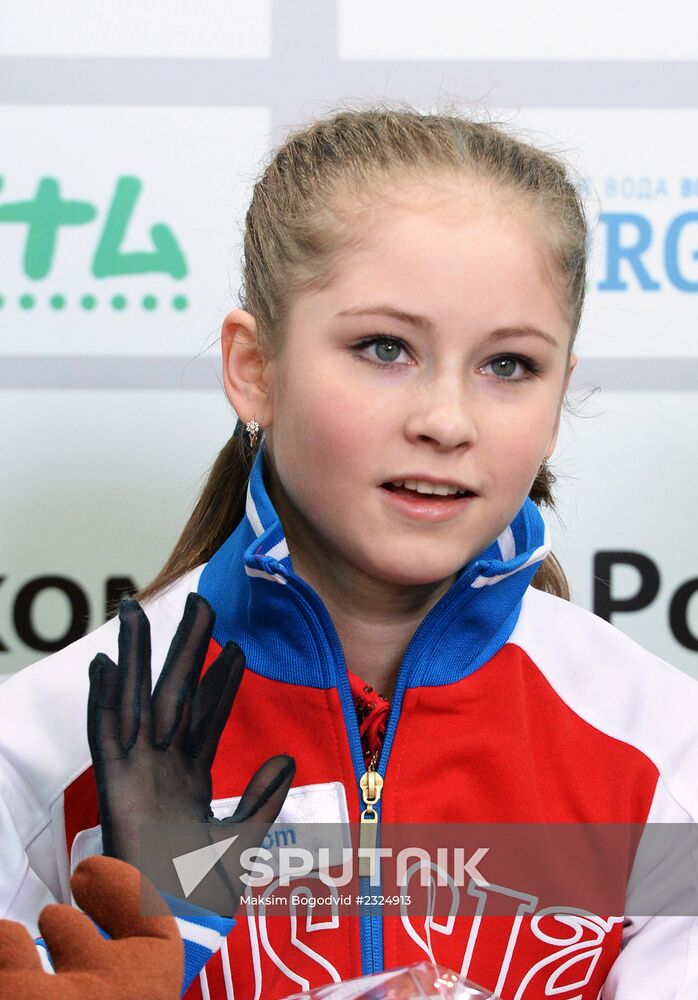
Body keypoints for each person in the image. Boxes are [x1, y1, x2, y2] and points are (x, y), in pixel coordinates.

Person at [0, 107, 697, 1000]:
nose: (445, 421)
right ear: (255, 367)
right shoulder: (53, 745)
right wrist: (155, 953)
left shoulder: (663, 754)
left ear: (559, 395)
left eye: (509, 365)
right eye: (384, 348)